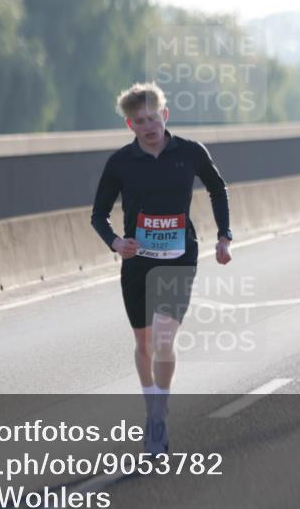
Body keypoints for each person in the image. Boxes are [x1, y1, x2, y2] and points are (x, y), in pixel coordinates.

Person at [91, 82, 232, 455]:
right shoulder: (120, 162)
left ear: (165, 115)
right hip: (137, 262)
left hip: (179, 257)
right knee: (144, 342)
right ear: (130, 125)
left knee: (165, 339)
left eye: (153, 118)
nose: (149, 126)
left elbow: (218, 189)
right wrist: (117, 243)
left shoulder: (190, 152)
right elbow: (98, 214)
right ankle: (151, 399)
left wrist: (224, 236)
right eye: (140, 121)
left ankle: (157, 414)